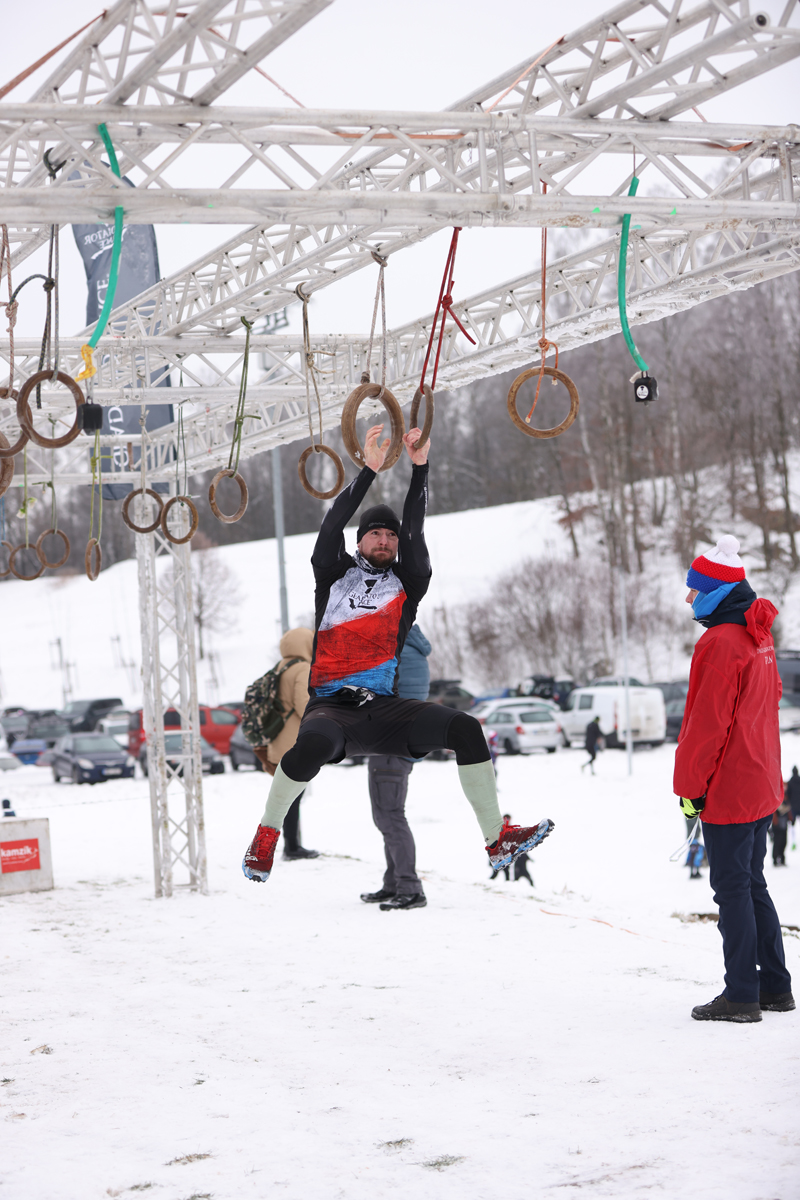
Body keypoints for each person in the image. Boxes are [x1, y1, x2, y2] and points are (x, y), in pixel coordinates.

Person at [242, 424, 554, 884]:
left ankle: (496, 838)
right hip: (331, 708)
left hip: (384, 710)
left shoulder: (408, 584)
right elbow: (332, 522)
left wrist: (420, 466)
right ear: (360, 540)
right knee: (307, 748)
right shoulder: (332, 574)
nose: (385, 540)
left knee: (466, 729)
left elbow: (414, 528)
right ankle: (266, 837)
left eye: (390, 536)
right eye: (376, 535)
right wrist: (369, 469)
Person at [675, 535, 794, 1022]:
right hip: (761, 781)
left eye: (695, 589)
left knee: (733, 891)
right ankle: (776, 988)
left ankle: (742, 994)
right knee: (753, 883)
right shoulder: (758, 636)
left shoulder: (720, 642)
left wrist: (691, 791)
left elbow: (706, 726)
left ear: (718, 592)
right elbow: (771, 701)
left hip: (731, 787)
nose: (688, 599)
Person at [361, 623, 432, 911]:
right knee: (387, 818)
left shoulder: (393, 651)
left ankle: (410, 887)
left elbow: (374, 695)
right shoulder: (413, 649)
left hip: (389, 743)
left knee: (390, 818)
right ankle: (393, 883)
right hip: (399, 743)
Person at [253, 627, 319, 861]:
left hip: (277, 740)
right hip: (293, 741)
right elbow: (303, 704)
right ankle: (292, 847)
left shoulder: (279, 668)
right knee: (291, 797)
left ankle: (292, 844)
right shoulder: (302, 668)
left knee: (285, 795)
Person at [771, 800, 791, 867]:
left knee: (783, 842)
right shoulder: (776, 801)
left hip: (784, 825)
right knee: (777, 843)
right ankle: (775, 859)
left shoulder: (786, 801)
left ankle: (782, 859)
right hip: (777, 826)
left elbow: (789, 810)